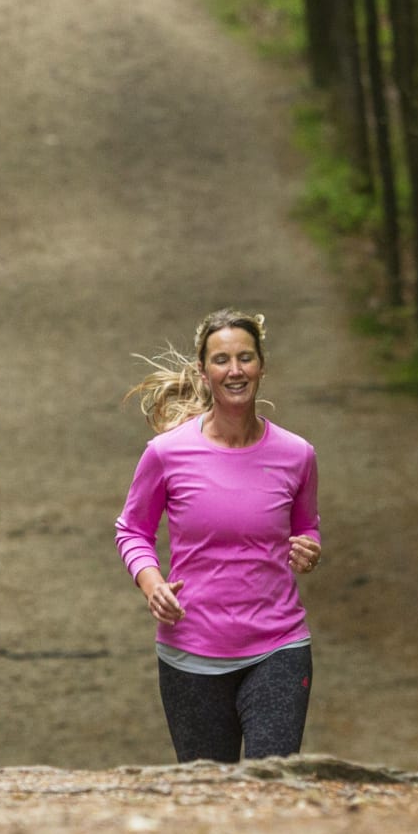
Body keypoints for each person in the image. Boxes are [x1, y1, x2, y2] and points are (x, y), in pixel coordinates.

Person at [113, 308, 324, 763]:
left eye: (245, 358)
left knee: (272, 784)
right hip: (191, 649)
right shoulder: (167, 454)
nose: (235, 370)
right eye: (222, 360)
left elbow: (306, 528)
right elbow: (132, 529)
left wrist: (309, 549)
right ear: (203, 372)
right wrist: (152, 585)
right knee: (209, 793)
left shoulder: (297, 455)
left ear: (262, 367)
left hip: (279, 645)